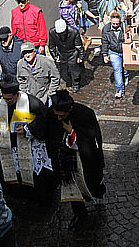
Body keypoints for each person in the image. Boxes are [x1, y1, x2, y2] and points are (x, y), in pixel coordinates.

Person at [45, 90, 105, 230]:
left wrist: (72, 132)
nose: (59, 119)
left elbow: (91, 138)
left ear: (70, 109)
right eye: (57, 115)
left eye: (63, 115)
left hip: (85, 159)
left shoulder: (85, 114)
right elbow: (49, 135)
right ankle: (80, 213)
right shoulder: (51, 114)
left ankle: (98, 192)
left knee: (92, 181)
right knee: (70, 186)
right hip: (64, 160)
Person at [0, 78, 52, 197]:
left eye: (10, 99)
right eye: (4, 98)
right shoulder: (0, 103)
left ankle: (41, 196)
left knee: (36, 175)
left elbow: (44, 121)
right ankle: (23, 194)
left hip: (30, 144)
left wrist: (28, 129)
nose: (7, 101)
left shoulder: (33, 103)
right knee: (17, 173)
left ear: (17, 94)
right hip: (11, 146)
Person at [48, 19, 84, 92]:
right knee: (64, 71)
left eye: (63, 32)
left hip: (73, 52)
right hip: (62, 53)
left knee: (75, 70)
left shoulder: (74, 31)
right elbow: (51, 46)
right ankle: (69, 81)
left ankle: (76, 84)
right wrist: (55, 56)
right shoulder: (52, 32)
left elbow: (79, 46)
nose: (61, 34)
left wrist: (81, 56)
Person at [101, 11, 129, 99]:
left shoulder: (124, 27)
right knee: (117, 70)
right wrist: (105, 54)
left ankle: (126, 76)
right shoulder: (106, 29)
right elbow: (104, 42)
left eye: (117, 24)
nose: (116, 25)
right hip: (113, 51)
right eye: (114, 24)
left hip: (124, 50)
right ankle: (120, 89)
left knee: (125, 67)